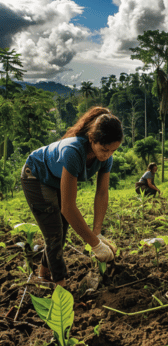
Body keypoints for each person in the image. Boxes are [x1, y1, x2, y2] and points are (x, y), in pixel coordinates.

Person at [21, 107, 123, 287]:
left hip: (55, 180)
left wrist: (97, 232)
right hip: (36, 175)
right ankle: (61, 287)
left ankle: (43, 274)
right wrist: (95, 244)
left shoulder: (106, 158)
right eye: (104, 149)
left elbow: (101, 193)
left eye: (113, 151)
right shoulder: (73, 152)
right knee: (54, 233)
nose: (107, 155)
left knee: (63, 228)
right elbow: (68, 207)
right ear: (92, 139)